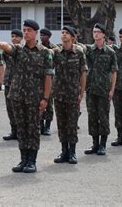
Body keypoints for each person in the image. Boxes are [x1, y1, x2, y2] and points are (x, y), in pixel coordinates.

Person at [0, 20, 54, 173]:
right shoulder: (18, 50)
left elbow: (48, 77)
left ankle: (32, 161)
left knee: (33, 128)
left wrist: (45, 98)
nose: (26, 33)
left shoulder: (45, 52)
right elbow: (9, 48)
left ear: (36, 33)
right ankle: (23, 159)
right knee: (21, 128)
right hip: (17, 95)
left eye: (29, 30)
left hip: (35, 97)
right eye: (24, 30)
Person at [52, 26, 87, 164]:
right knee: (61, 124)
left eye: (67, 33)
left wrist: (81, 91)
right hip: (59, 93)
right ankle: (64, 151)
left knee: (72, 124)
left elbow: (83, 72)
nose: (64, 35)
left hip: (73, 93)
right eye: (62, 33)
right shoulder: (56, 52)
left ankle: (72, 152)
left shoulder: (79, 52)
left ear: (73, 37)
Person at [84, 23, 118, 156]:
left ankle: (103, 145)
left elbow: (114, 71)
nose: (95, 34)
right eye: (94, 32)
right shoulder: (88, 51)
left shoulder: (110, 52)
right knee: (92, 117)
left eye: (98, 32)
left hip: (104, 89)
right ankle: (95, 144)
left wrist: (112, 90)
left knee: (103, 117)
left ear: (103, 34)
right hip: (91, 89)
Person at [2, 29, 22, 141]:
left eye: (16, 36)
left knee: (19, 109)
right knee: (10, 108)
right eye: (12, 36)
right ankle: (13, 131)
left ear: (21, 38)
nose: (14, 38)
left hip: (19, 84)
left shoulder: (23, 50)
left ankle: (20, 131)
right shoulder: (7, 51)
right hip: (9, 82)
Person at [40, 28, 57, 135]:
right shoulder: (38, 47)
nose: (42, 36)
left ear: (49, 37)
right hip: (38, 79)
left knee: (49, 103)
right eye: (41, 35)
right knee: (39, 102)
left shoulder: (54, 48)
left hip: (50, 78)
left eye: (44, 35)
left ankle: (47, 126)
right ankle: (40, 125)